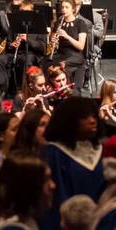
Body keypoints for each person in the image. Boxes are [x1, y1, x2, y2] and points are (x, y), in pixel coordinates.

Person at [41, 97, 104, 228]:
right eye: (84, 117)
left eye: (94, 116)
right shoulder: (54, 153)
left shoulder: (100, 151)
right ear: (69, 120)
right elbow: (58, 200)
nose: (92, 121)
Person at [0, 151, 56, 229]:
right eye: (45, 180)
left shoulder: (24, 222)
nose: (53, 186)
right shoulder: (13, 228)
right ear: (27, 188)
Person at [0, 0, 46, 93]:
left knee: (27, 59)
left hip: (32, 54)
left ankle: (24, 89)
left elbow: (42, 47)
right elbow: (8, 44)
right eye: (22, 11)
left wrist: (28, 40)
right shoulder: (14, 24)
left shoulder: (39, 25)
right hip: (16, 53)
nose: (24, 14)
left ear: (32, 12)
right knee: (1, 60)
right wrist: (12, 44)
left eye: (26, 11)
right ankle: (2, 89)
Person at [50, 0, 88, 92]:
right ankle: (52, 90)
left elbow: (81, 46)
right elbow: (53, 40)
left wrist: (67, 36)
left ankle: (68, 90)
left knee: (65, 64)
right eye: (62, 7)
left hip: (75, 54)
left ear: (73, 9)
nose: (64, 10)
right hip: (61, 53)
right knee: (46, 62)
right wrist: (54, 41)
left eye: (67, 7)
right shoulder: (58, 22)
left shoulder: (80, 23)